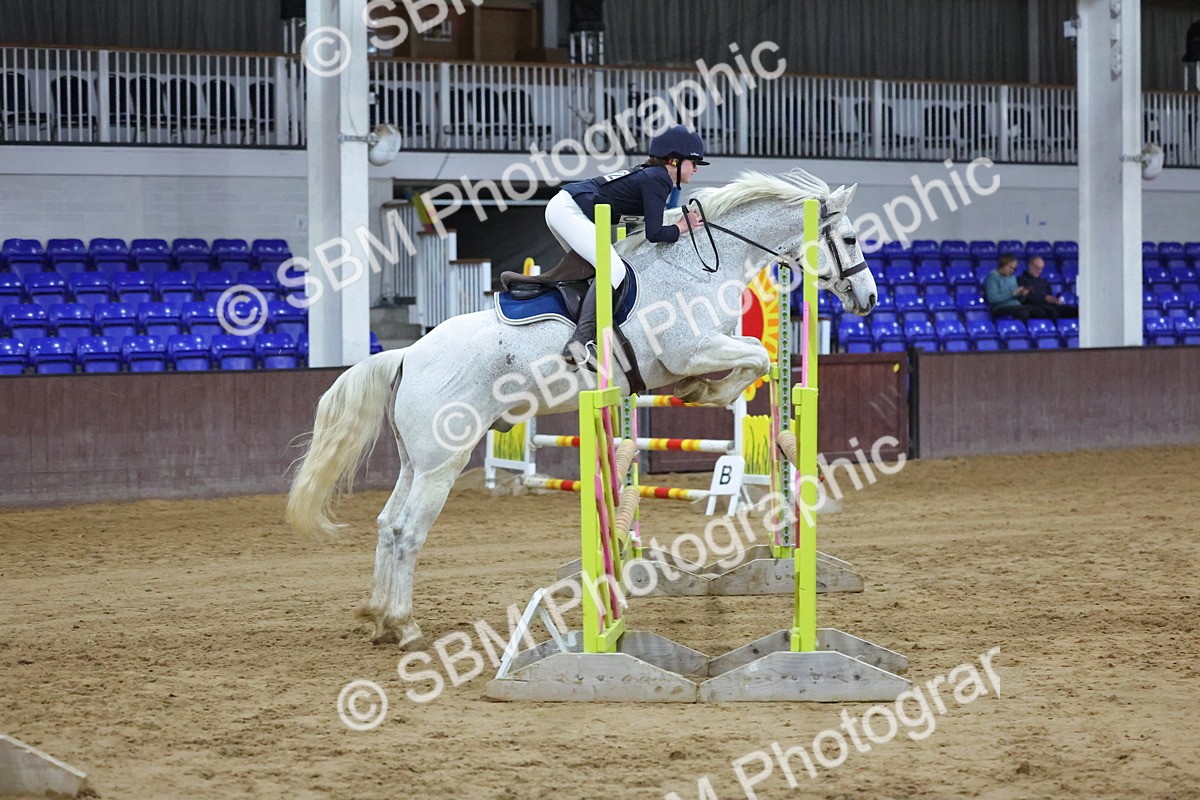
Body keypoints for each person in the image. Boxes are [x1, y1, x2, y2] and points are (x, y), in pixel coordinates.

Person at [546, 124, 709, 367]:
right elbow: (655, 234)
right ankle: (579, 342)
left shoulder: (653, 176)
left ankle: (577, 331)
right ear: (674, 162)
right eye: (693, 162)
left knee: (596, 272)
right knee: (614, 270)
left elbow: (647, 225)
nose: (696, 168)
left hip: (563, 207)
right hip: (568, 211)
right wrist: (682, 228)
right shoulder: (658, 179)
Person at [985, 254, 1040, 321]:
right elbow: (993, 299)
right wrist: (1012, 293)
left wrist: (1022, 294)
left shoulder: (1012, 277)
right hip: (1000, 308)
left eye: (1014, 269)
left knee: (1038, 311)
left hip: (1016, 305)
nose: (1012, 271)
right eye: (1010, 268)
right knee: (1022, 312)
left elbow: (1017, 297)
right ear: (1003, 265)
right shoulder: (993, 277)